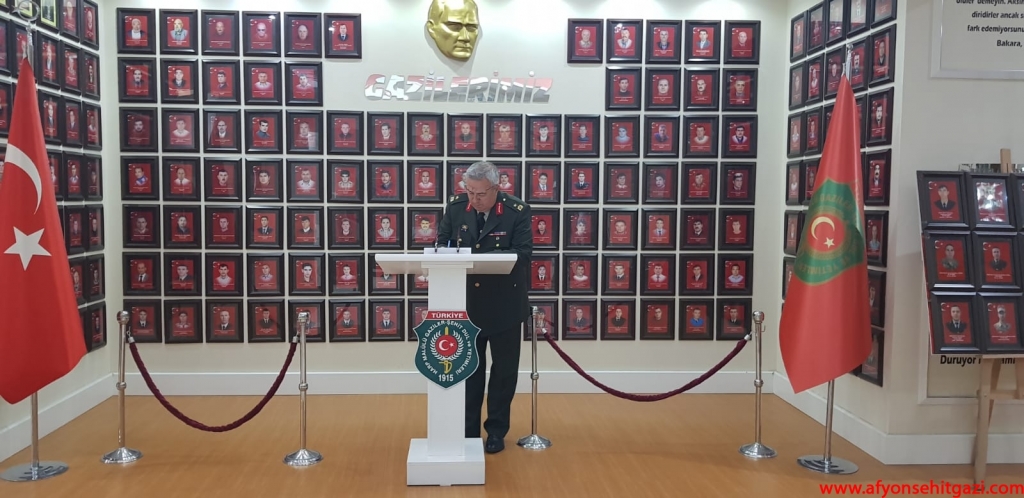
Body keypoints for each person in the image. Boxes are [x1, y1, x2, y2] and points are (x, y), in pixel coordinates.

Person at [435, 161, 532, 454]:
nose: (474, 199)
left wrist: (481, 262)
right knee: (468, 372)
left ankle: (496, 431)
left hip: (505, 305)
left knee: (503, 374)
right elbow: (442, 245)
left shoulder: (516, 211)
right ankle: (467, 432)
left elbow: (523, 255)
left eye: (480, 194)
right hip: (466, 305)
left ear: (496, 188)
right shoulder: (456, 208)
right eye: (470, 191)